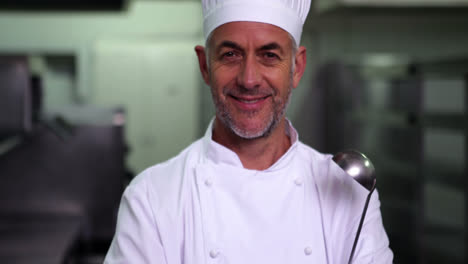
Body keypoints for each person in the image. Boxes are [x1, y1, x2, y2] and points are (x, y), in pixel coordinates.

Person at [104, 0, 393, 263]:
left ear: (296, 67)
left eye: (269, 55)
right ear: (205, 65)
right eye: (230, 54)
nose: (249, 79)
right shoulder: (152, 198)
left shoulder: (350, 191)